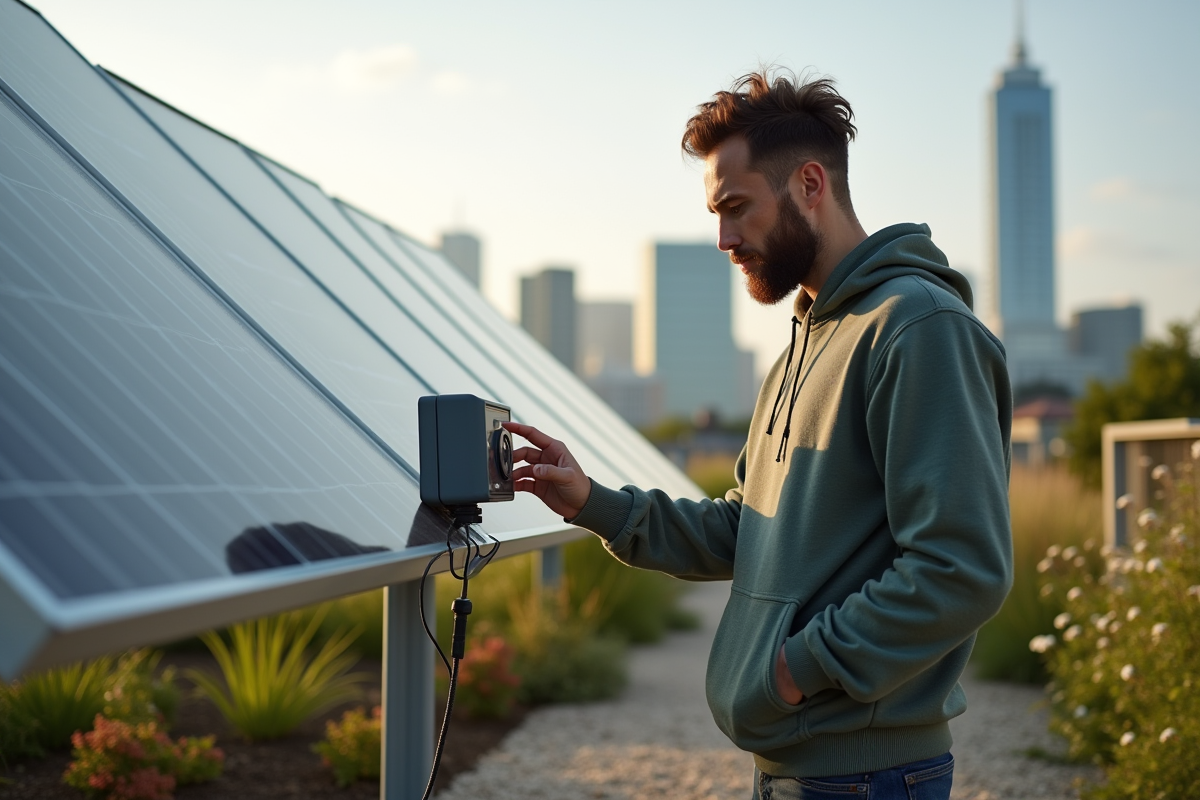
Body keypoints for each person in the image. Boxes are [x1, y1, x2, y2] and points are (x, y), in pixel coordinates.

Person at [504, 70, 1012, 800]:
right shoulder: (802, 345)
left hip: (868, 775)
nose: (723, 238)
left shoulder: (916, 330)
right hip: (801, 770)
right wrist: (593, 502)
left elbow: (961, 568)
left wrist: (795, 670)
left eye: (736, 208)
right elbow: (748, 528)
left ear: (810, 184)